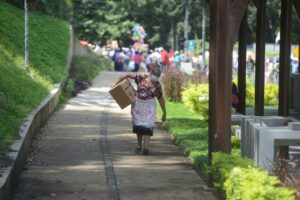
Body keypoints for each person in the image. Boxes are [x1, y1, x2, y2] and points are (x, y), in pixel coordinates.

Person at [113, 64, 166, 155]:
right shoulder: (141, 78)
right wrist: (115, 85)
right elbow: (126, 75)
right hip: (138, 105)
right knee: (139, 127)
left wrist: (164, 112)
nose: (155, 78)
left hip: (150, 106)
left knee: (148, 127)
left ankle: (145, 148)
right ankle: (139, 146)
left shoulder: (158, 86)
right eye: (155, 75)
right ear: (150, 73)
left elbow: (161, 99)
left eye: (158, 76)